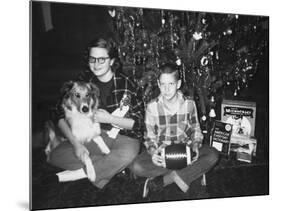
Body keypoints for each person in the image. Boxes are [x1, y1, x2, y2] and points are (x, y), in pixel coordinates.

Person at [46, 37, 144, 189]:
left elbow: (139, 124)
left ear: (111, 61)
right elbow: (57, 112)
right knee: (55, 155)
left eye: (102, 59)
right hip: (93, 136)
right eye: (92, 59)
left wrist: (110, 118)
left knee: (128, 153)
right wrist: (76, 144)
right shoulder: (82, 81)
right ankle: (110, 167)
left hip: (123, 137)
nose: (96, 64)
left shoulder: (127, 84)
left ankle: (79, 173)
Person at [130, 63, 219, 197]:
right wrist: (153, 152)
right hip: (163, 154)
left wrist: (195, 145)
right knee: (136, 166)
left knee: (213, 155)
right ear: (158, 85)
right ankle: (191, 173)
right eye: (163, 84)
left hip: (186, 152)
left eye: (171, 84)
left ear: (178, 84)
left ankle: (167, 179)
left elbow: (196, 129)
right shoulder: (151, 107)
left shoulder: (189, 104)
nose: (166, 89)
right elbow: (149, 136)